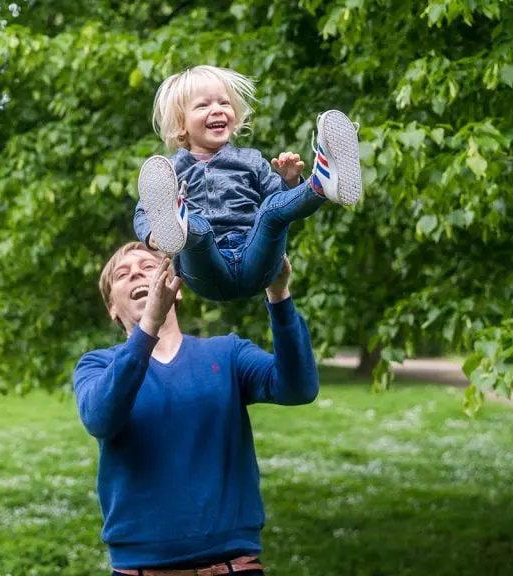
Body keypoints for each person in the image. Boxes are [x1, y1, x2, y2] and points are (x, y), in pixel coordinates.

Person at [73, 241, 320, 575]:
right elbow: (100, 417)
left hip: (234, 565)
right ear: (113, 309)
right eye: (122, 274)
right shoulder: (97, 366)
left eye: (148, 267)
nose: (136, 275)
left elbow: (298, 387)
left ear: (176, 290)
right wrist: (149, 327)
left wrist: (279, 295)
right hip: (140, 568)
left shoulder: (227, 354)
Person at [133, 64, 362, 301]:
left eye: (224, 103)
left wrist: (289, 181)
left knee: (271, 210)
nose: (217, 110)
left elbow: (282, 203)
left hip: (257, 261)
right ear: (182, 124)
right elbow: (144, 210)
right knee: (197, 226)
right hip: (207, 272)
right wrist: (152, 234)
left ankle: (321, 184)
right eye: (203, 105)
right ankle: (177, 226)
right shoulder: (171, 172)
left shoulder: (251, 160)